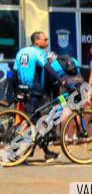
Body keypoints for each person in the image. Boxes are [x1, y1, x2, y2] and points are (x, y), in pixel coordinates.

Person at [12, 31, 61, 161]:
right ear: (37, 41)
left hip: (23, 90)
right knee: (29, 122)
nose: (47, 42)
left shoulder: (21, 52)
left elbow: (15, 74)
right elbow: (47, 67)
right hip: (34, 91)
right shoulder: (38, 52)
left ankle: (45, 152)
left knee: (37, 122)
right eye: (45, 39)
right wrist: (61, 79)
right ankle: (13, 151)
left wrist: (15, 91)